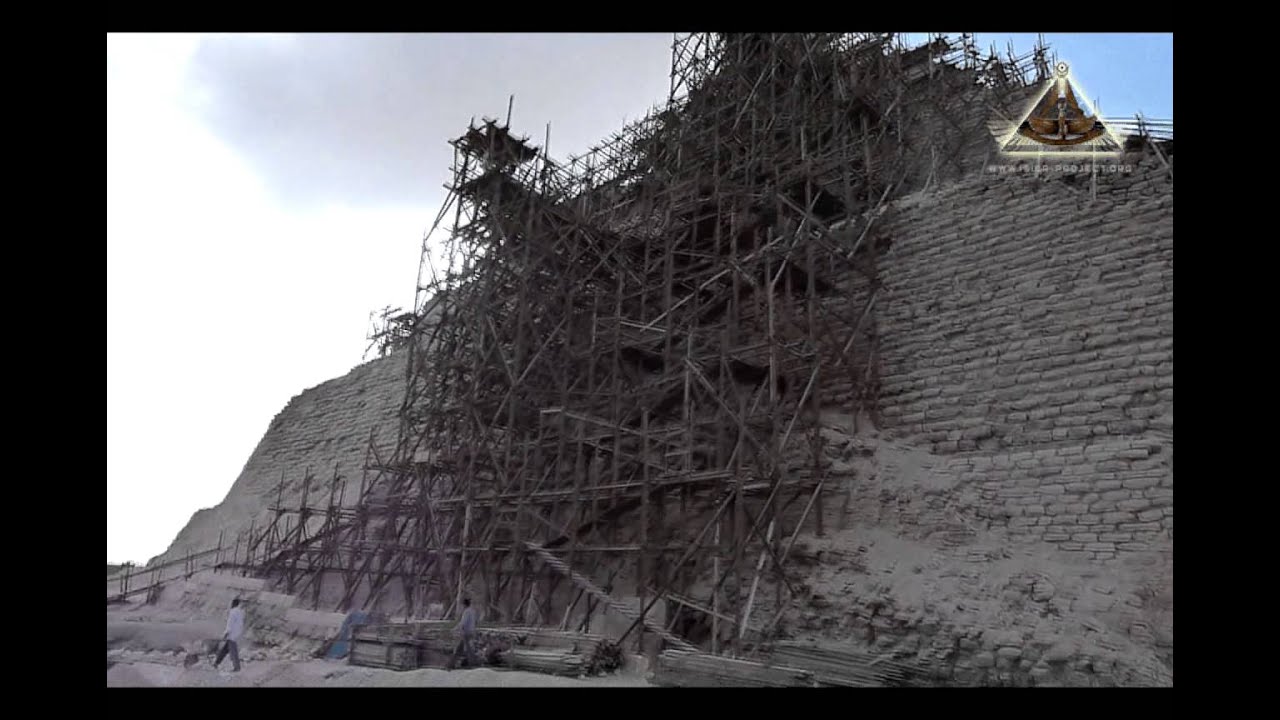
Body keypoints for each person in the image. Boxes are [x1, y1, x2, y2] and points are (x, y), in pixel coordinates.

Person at [215, 597, 245, 673]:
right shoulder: (241, 612)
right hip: (237, 633)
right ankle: (216, 663)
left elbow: (230, 624)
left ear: (233, 604)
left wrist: (225, 633)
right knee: (224, 650)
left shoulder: (232, 612)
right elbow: (240, 624)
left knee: (233, 651)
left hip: (232, 635)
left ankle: (237, 667)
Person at [448, 597, 478, 669]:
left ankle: (471, 664)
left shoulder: (466, 612)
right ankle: (452, 664)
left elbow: (463, 623)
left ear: (464, 605)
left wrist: (455, 629)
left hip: (466, 633)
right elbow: (475, 622)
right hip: (471, 632)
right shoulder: (473, 611)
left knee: (466, 649)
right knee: (461, 648)